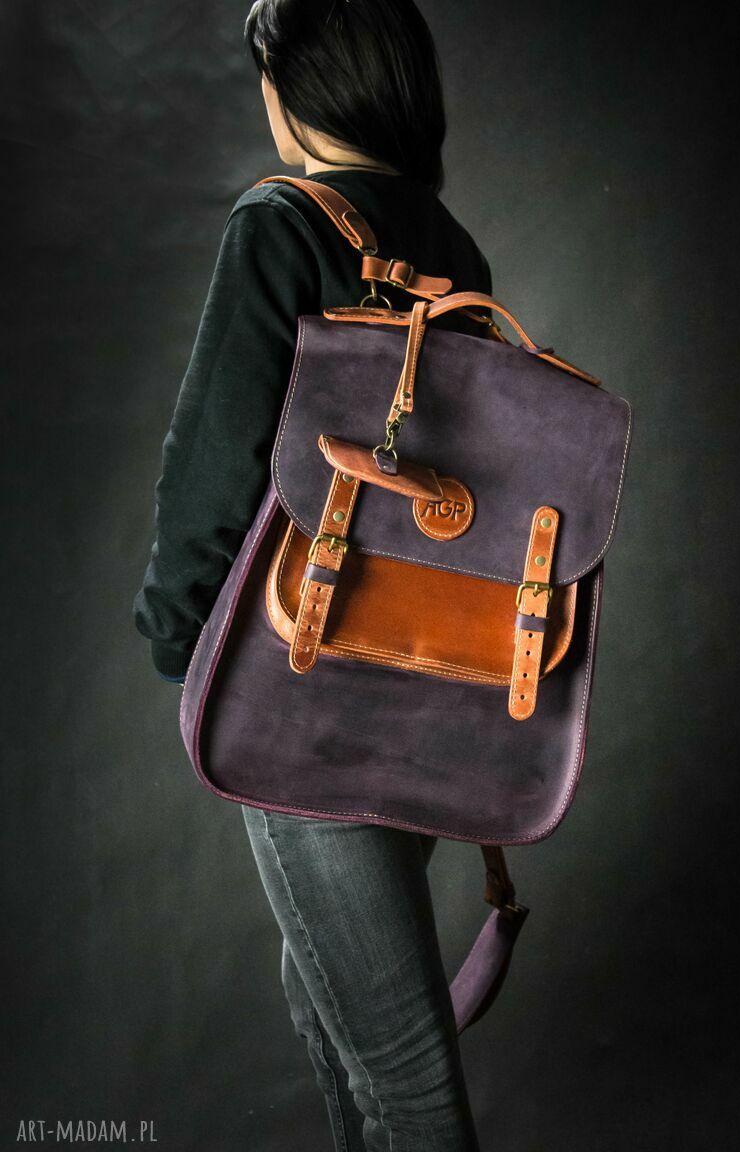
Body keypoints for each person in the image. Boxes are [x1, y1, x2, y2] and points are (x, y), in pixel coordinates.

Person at [133, 2, 494, 1148]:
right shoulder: (450, 247)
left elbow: (214, 462)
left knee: (402, 1073)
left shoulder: (280, 221)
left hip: (302, 682)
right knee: (333, 1005)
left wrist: (179, 639)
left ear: (290, 86)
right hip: (431, 677)